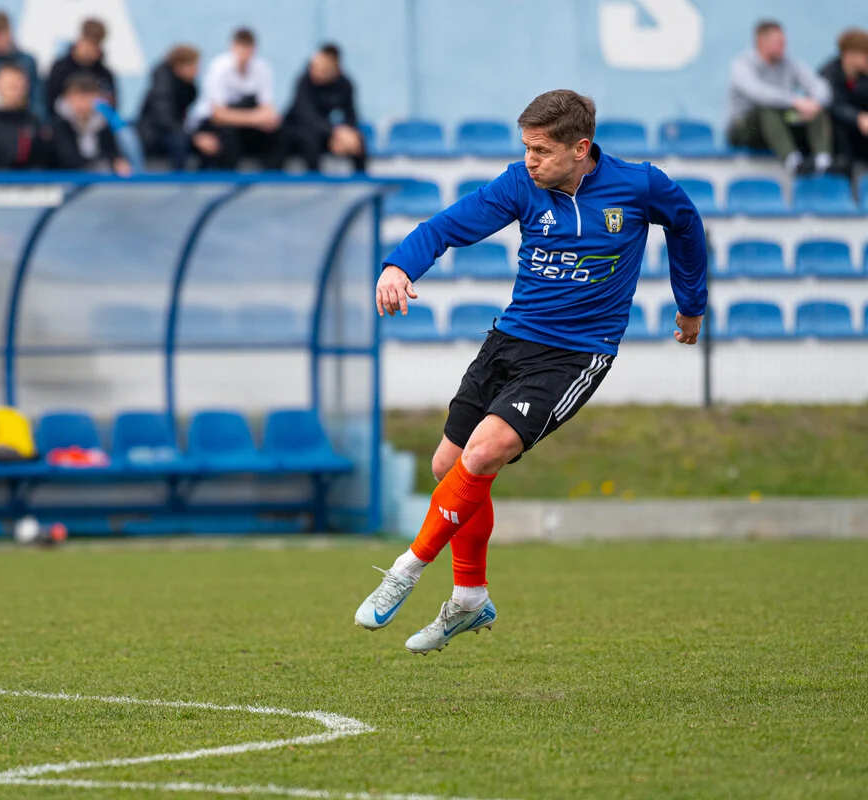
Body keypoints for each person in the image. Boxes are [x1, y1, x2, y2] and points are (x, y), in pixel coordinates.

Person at [355, 90, 707, 655]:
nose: (530, 160)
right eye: (526, 147)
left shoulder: (640, 186)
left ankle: (407, 567)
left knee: (483, 453)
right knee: (447, 465)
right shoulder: (521, 184)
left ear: (581, 148)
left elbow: (687, 225)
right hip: (510, 339)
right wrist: (398, 265)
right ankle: (470, 597)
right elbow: (450, 225)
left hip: (575, 353)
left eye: (541, 150)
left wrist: (690, 304)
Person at [727, 20, 833, 173]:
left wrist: (816, 102)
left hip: (776, 127)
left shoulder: (789, 64)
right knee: (767, 110)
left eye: (784, 42)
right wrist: (796, 101)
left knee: (816, 111)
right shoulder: (741, 65)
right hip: (744, 127)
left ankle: (824, 162)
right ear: (760, 42)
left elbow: (819, 85)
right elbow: (759, 93)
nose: (783, 46)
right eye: (778, 42)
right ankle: (793, 162)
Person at [187, 28, 282, 170]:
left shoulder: (263, 69)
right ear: (232, 47)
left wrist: (261, 119)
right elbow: (218, 115)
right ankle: (227, 181)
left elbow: (269, 112)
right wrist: (256, 119)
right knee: (228, 135)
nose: (244, 55)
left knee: (277, 133)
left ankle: (272, 180)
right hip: (211, 124)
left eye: (248, 49)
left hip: (244, 124)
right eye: (241, 49)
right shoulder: (219, 68)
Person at [281, 43, 366, 172]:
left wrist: (347, 134)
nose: (316, 73)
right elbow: (307, 116)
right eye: (314, 67)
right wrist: (335, 133)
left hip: (324, 131)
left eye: (323, 70)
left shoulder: (345, 84)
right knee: (310, 137)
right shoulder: (304, 82)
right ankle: (314, 182)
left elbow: (351, 115)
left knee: (357, 140)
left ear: (335, 69)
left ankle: (361, 181)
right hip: (295, 131)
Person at [137, 45, 211, 170]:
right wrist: (193, 137)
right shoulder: (162, 89)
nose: (197, 71)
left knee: (211, 140)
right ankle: (179, 182)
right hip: (152, 134)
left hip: (174, 130)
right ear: (179, 68)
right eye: (193, 67)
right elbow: (165, 120)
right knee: (179, 142)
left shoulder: (188, 87)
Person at [48, 75, 130, 174]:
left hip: (100, 178)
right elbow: (66, 158)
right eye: (77, 96)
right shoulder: (59, 125)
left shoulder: (103, 123)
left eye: (87, 97)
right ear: (67, 97)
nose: (82, 103)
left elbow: (111, 153)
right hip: (66, 179)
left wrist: (118, 162)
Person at [0, 10, 42, 118]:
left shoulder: (28, 62)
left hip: (23, 120)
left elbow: (37, 98)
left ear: (9, 33)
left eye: (0, 35)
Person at [45, 18, 117, 119]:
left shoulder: (105, 75)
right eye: (87, 42)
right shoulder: (60, 69)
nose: (89, 49)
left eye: (95, 44)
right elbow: (49, 102)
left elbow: (112, 108)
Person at [819, 28, 868, 168]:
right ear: (849, 55)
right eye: (865, 55)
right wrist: (858, 118)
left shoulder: (863, 77)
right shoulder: (828, 74)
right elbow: (832, 105)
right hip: (837, 143)